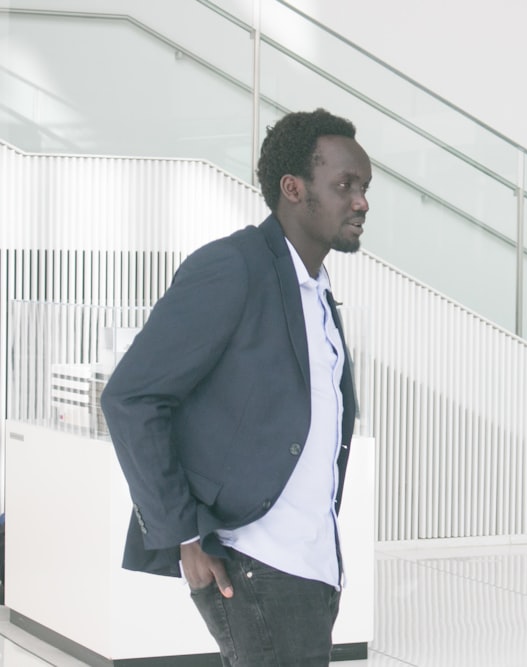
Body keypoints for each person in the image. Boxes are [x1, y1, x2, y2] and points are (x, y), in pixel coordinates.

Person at [101, 108, 371, 666]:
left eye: (364, 187)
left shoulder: (315, 289)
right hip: (256, 560)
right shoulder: (234, 266)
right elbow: (132, 396)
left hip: (312, 562)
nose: (361, 201)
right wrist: (183, 533)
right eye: (345, 185)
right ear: (293, 189)